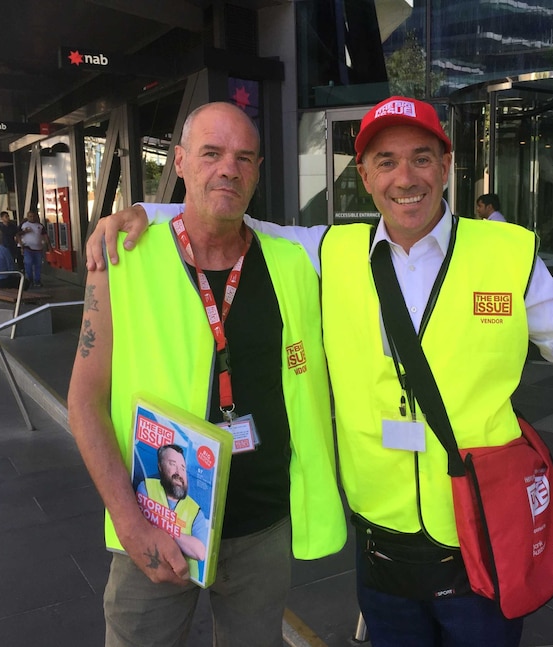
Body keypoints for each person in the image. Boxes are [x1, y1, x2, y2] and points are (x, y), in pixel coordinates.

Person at [87, 96, 553, 646]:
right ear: (365, 177)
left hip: (482, 536)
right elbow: (230, 213)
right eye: (386, 161)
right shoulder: (328, 251)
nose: (406, 177)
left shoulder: (506, 252)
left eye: (422, 158)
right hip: (382, 551)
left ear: (446, 166)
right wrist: (142, 215)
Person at [67, 101, 345, 647]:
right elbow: (84, 400)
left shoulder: (294, 265)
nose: (229, 169)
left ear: (258, 171)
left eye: (244, 158)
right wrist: (130, 525)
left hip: (263, 528)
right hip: (156, 522)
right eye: (211, 153)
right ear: (179, 162)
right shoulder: (124, 260)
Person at [136, 444, 209, 580]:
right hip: (146, 568)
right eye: (172, 464)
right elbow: (139, 528)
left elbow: (200, 552)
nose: (179, 472)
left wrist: (169, 532)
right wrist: (183, 539)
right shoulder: (146, 487)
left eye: (182, 468)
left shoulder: (196, 511)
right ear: (160, 467)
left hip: (186, 578)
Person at [17, 209, 48, 287]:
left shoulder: (40, 226)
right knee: (28, 263)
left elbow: (45, 235)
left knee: (38, 265)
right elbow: (17, 235)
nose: (32, 218)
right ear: (27, 217)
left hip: (38, 248)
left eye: (33, 216)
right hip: (27, 247)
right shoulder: (24, 225)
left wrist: (47, 246)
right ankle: (30, 280)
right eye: (30, 216)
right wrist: (21, 246)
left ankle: (37, 280)